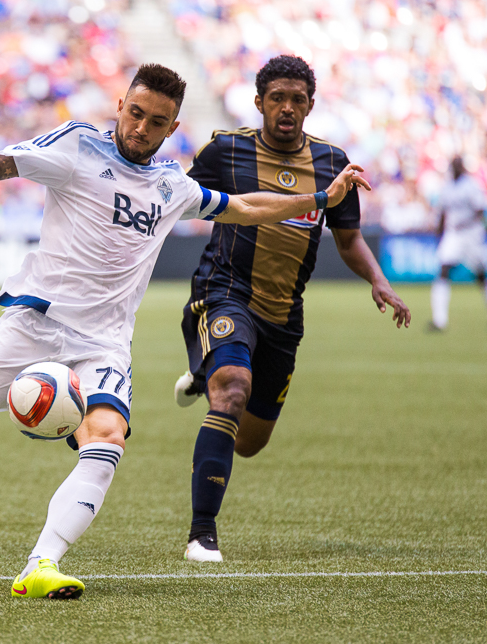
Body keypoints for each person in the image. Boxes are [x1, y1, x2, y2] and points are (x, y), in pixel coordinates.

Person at [0, 63, 367, 599]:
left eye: (157, 121)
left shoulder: (171, 185)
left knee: (106, 440)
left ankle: (41, 563)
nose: (141, 127)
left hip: (102, 344)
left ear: (172, 128)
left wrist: (318, 201)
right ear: (121, 105)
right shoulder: (77, 146)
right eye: (136, 113)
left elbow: (244, 207)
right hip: (33, 323)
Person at [172, 55, 411, 563]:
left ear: (310, 105)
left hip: (283, 317)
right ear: (259, 102)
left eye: (296, 100)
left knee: (249, 442)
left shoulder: (332, 162)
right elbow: (175, 197)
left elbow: (348, 239)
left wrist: (379, 280)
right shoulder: (226, 151)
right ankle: (201, 534)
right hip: (225, 291)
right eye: (276, 98)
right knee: (233, 391)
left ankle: (206, 370)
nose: (286, 108)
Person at [429, 156, 487, 332]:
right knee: (443, 269)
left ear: (462, 168)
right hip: (453, 234)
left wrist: (465, 221)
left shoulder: (471, 185)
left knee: (481, 275)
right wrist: (438, 233)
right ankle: (440, 321)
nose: (455, 169)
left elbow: (481, 210)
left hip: (471, 233)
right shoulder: (446, 187)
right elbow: (442, 212)